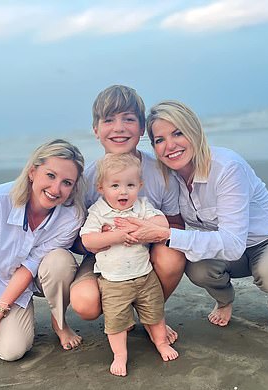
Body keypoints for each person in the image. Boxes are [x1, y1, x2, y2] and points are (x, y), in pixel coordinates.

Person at [115, 100, 268, 332]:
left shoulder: (227, 167)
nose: (170, 145)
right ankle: (224, 299)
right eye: (159, 140)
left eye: (178, 133)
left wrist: (167, 234)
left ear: (195, 131)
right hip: (232, 250)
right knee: (197, 267)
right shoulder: (168, 176)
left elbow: (233, 244)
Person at [70, 85, 186, 343]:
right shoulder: (87, 180)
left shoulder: (160, 172)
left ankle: (151, 315)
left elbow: (176, 223)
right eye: (109, 120)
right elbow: (76, 241)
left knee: (173, 256)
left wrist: (145, 231)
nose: (119, 128)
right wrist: (111, 237)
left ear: (142, 128)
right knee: (84, 303)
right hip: (104, 258)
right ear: (96, 130)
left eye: (129, 119)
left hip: (146, 256)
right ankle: (120, 312)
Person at [0, 139, 86, 361]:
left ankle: (59, 323)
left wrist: (0, 311)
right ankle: (12, 317)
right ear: (32, 172)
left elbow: (32, 264)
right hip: (2, 281)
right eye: (50, 175)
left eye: (67, 182)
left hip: (40, 274)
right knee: (13, 351)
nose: (56, 189)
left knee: (60, 262)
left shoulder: (72, 216)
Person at [80, 153, 179, 376]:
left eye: (130, 185)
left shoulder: (142, 206)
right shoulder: (99, 212)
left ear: (140, 186)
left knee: (155, 312)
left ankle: (161, 342)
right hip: (114, 282)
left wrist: (138, 227)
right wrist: (115, 237)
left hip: (145, 275)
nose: (123, 191)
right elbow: (88, 240)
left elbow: (161, 222)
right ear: (101, 188)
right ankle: (120, 355)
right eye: (114, 185)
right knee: (116, 322)